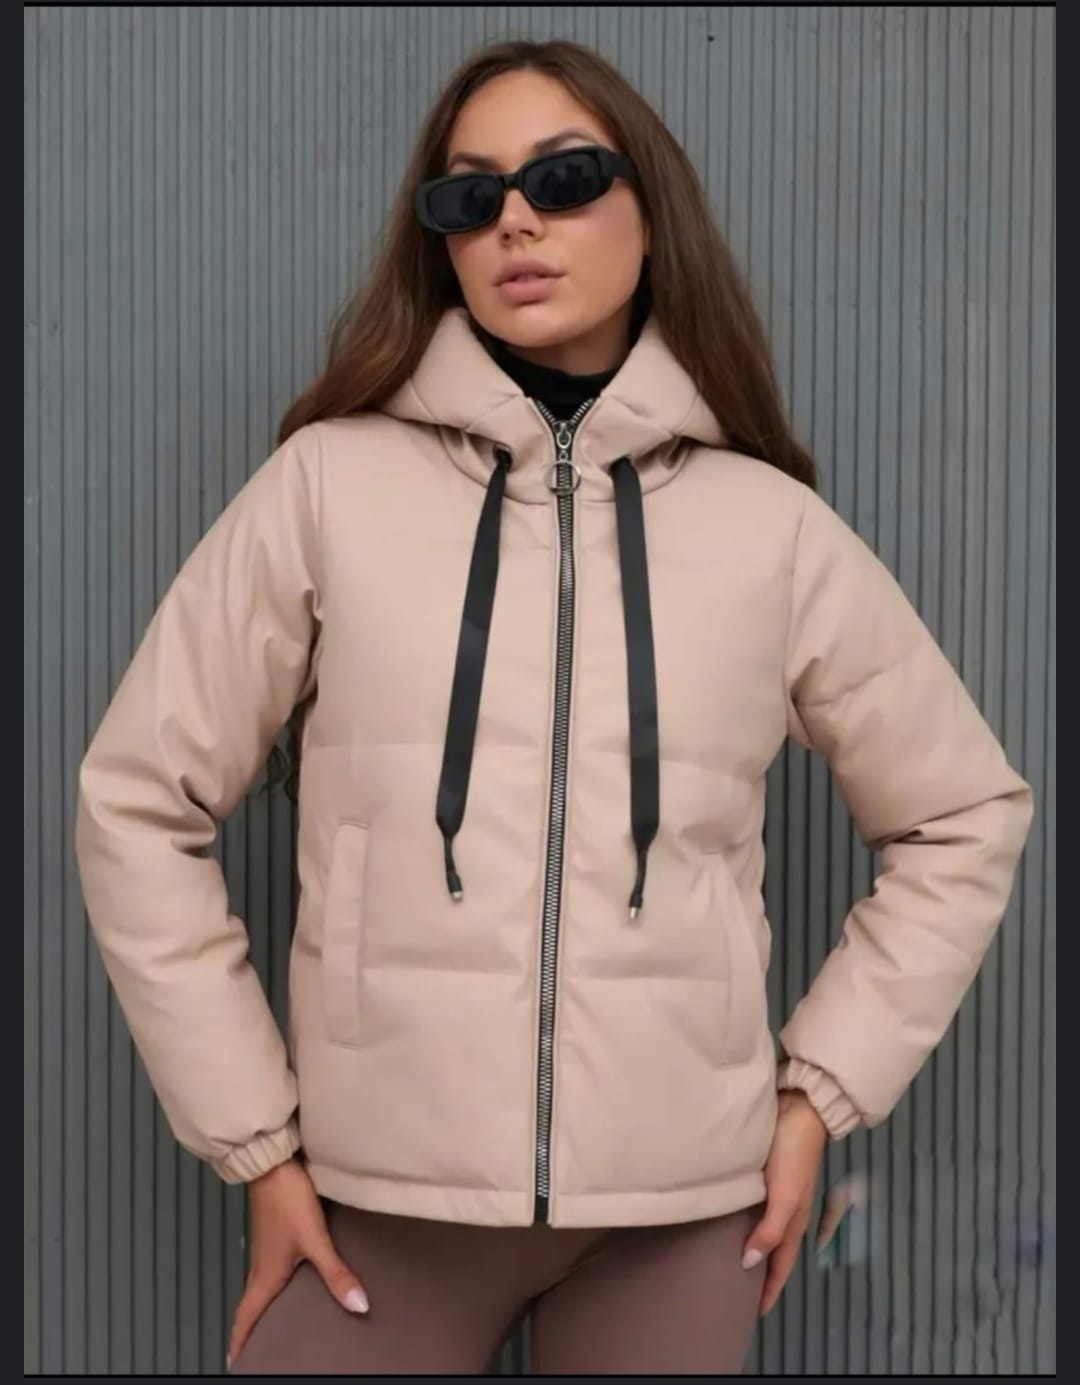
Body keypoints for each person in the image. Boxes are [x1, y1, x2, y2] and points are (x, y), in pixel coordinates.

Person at [74, 37, 1034, 1376]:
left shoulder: (771, 532)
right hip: (377, 1207)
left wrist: (818, 1094)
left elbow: (963, 814)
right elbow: (136, 800)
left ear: (652, 207)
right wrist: (258, 1143)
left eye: (565, 178)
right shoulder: (326, 490)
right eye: (470, 195)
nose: (515, 220)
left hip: (681, 1214)